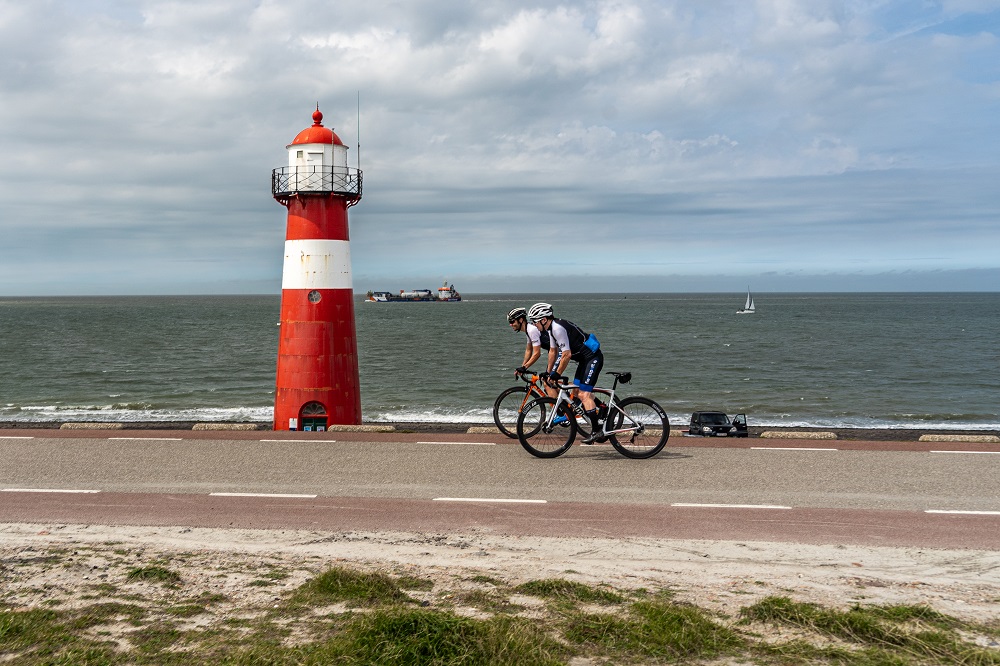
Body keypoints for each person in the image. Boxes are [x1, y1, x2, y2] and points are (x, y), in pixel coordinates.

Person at [527, 302, 605, 442]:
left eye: (535, 322)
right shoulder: (550, 329)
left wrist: (556, 374)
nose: (534, 325)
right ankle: (602, 407)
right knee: (576, 392)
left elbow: (566, 355)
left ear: (544, 320)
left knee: (583, 395)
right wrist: (549, 372)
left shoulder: (557, 328)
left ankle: (597, 430)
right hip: (583, 360)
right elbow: (553, 351)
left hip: (593, 358)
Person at [507, 307, 551, 375]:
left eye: (512, 321)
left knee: (548, 381)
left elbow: (537, 353)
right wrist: (522, 367)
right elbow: (529, 350)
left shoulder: (531, 330)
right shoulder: (528, 329)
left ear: (521, 320)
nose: (511, 324)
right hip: (553, 351)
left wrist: (525, 367)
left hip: (559, 351)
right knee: (548, 380)